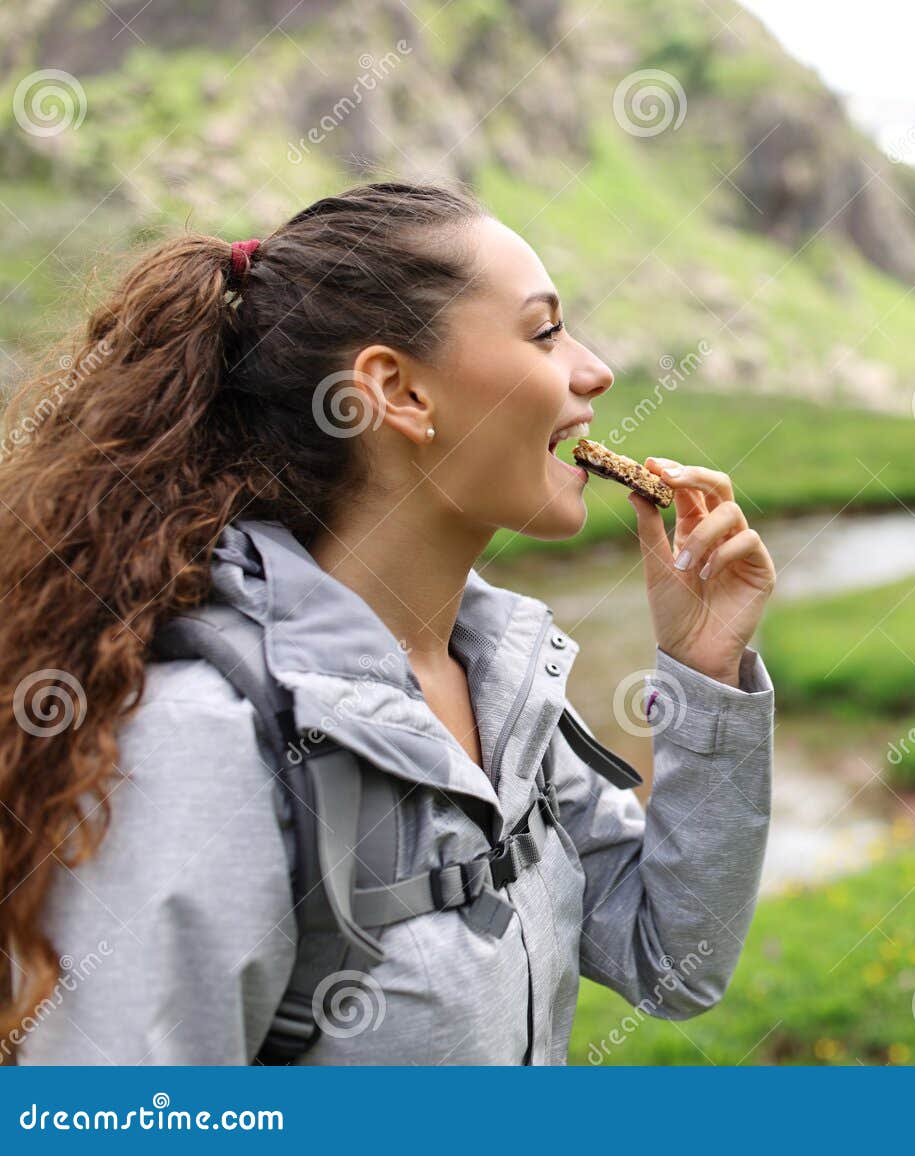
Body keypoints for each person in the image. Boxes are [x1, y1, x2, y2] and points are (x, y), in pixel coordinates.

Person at [0, 181, 777, 1064]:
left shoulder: (504, 685)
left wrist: (705, 669)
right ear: (399, 391)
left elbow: (675, 963)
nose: (594, 370)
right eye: (544, 331)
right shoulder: (204, 741)